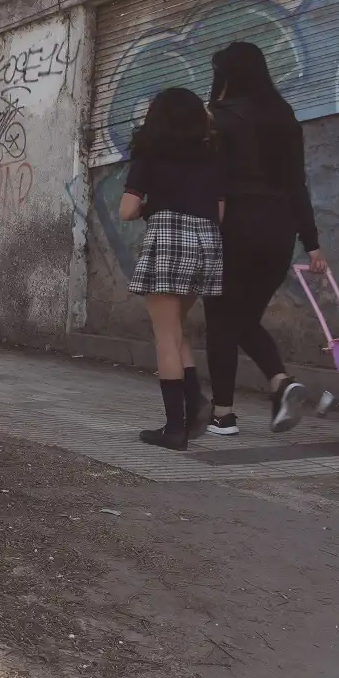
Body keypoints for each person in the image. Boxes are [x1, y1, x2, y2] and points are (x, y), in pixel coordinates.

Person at [203, 41, 327, 436]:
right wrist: (312, 242)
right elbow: (297, 185)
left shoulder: (220, 118)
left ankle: (222, 415)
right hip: (279, 233)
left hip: (235, 228)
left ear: (227, 76)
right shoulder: (284, 117)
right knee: (242, 319)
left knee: (221, 321)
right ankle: (281, 383)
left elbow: (214, 184)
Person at [121, 87, 226, 451]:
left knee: (165, 336)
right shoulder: (213, 155)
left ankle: (174, 429)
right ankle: (195, 402)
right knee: (178, 330)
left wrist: (152, 205)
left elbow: (126, 210)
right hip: (207, 242)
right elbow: (221, 211)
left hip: (169, 237)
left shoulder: (150, 154)